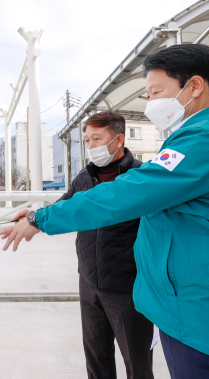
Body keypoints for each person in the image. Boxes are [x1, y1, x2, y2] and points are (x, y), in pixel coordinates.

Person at [0, 44, 209, 379]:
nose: (151, 104)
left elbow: (128, 193)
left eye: (157, 91)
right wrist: (41, 214)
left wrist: (40, 220)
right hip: (189, 309)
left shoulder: (208, 139)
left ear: (194, 86)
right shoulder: (189, 138)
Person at [59, 111, 153, 379]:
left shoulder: (141, 176)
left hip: (127, 287)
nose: (90, 145)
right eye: (87, 140)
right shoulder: (83, 179)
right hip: (89, 283)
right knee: (96, 360)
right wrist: (33, 217)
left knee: (137, 363)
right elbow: (63, 209)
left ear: (118, 139)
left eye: (96, 138)